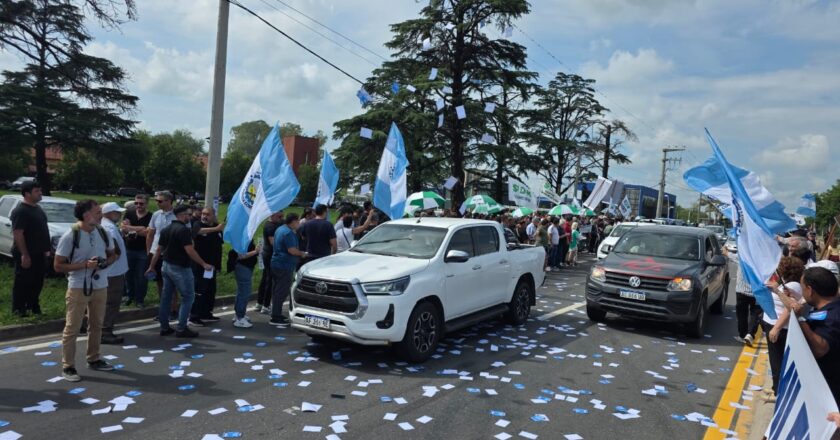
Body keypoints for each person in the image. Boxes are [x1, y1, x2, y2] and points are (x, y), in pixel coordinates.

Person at [53, 200, 117, 382]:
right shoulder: (70, 235)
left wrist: (105, 263)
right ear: (86, 215)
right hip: (78, 286)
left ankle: (94, 358)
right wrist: (85, 265)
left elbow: (113, 254)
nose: (101, 215)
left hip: (100, 285)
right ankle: (68, 366)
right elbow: (58, 265)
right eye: (97, 212)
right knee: (72, 327)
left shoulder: (103, 232)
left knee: (97, 324)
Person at [146, 205, 213, 338]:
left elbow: (159, 250)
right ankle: (182, 328)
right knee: (188, 297)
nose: (191, 217)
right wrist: (203, 263)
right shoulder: (183, 230)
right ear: (182, 215)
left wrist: (151, 266)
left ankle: (164, 327)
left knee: (166, 297)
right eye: (189, 214)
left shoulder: (166, 229)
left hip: (166, 265)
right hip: (180, 267)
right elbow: (190, 250)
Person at [779, 267, 840, 406]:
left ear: (810, 290)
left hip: (830, 396)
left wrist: (800, 319)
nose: (802, 293)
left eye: (803, 289)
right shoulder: (833, 307)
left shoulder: (832, 317)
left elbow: (820, 348)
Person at [761, 256, 805, 401]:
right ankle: (777, 388)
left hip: (780, 328)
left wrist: (776, 328)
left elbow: (790, 308)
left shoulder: (793, 286)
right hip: (774, 325)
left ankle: (779, 394)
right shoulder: (786, 284)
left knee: (778, 363)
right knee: (776, 361)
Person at [10, 180, 50, 317]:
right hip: (27, 252)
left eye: (40, 190)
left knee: (37, 281)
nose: (40, 193)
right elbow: (18, 233)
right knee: (23, 281)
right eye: (36, 191)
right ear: (27, 194)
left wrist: (46, 249)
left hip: (39, 252)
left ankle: (33, 306)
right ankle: (18, 309)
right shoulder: (21, 211)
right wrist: (24, 254)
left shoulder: (38, 209)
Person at [99, 202, 129, 345]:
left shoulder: (107, 226)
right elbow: (114, 251)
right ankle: (105, 331)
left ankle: (98, 328)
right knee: (111, 302)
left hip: (112, 270)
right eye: (117, 212)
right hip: (113, 272)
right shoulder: (109, 228)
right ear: (109, 213)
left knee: (105, 301)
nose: (119, 214)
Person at [270, 214, 308, 325]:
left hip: (276, 263)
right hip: (284, 265)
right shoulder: (288, 233)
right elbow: (292, 250)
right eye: (298, 222)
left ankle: (276, 312)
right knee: (281, 291)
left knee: (276, 290)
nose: (299, 224)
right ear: (293, 221)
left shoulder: (280, 229)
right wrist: (302, 253)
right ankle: (276, 316)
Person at [189, 206, 224, 326]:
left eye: (207, 214)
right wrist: (216, 229)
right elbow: (198, 231)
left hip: (212, 266)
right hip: (200, 265)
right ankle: (194, 316)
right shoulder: (197, 224)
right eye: (203, 214)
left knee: (210, 290)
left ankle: (206, 313)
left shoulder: (217, 227)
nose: (204, 216)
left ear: (213, 215)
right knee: (199, 290)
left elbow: (218, 245)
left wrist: (218, 265)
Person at [147, 191, 176, 319]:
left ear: (169, 201)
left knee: (171, 283)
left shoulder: (177, 215)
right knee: (159, 282)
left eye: (160, 201)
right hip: (156, 253)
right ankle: (164, 310)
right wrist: (149, 251)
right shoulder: (156, 215)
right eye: (156, 200)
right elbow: (151, 233)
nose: (157, 203)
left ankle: (173, 309)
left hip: (171, 254)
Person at [122, 194, 151, 308]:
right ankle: (130, 296)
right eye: (136, 203)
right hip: (129, 249)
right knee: (128, 275)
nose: (138, 205)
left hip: (143, 251)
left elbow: (148, 233)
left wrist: (131, 228)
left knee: (141, 277)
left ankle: (139, 300)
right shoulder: (129, 213)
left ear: (147, 204)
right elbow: (124, 228)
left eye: (141, 203)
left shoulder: (151, 216)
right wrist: (141, 228)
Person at [255, 211, 283, 314]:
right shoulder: (270, 226)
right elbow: (273, 242)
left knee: (265, 279)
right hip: (270, 254)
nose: (281, 218)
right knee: (269, 280)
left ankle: (259, 302)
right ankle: (266, 305)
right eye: (279, 216)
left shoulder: (272, 224)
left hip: (266, 253)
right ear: (273, 215)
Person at [232, 240, 261, 328]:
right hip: (243, 267)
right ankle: (240, 318)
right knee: (245, 292)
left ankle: (239, 314)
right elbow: (240, 255)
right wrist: (255, 251)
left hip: (246, 267)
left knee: (242, 292)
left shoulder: (247, 238)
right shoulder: (241, 238)